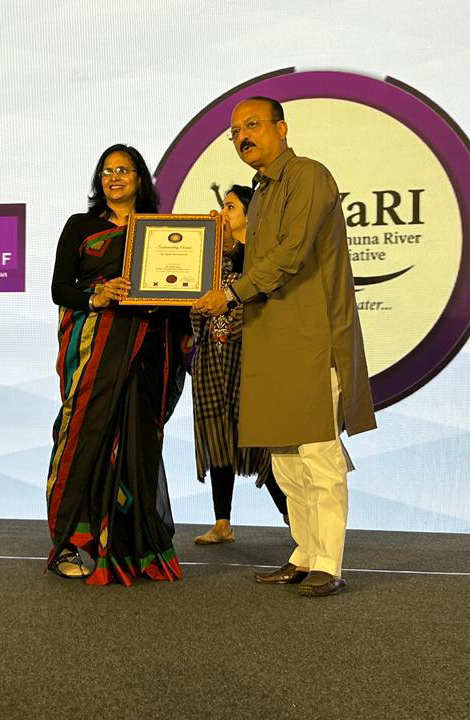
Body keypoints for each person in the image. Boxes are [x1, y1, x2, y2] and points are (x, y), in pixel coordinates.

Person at [193, 98, 377, 597]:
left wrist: (230, 293)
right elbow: (260, 259)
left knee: (318, 454)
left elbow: (291, 253)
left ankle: (329, 562)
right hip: (270, 338)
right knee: (285, 461)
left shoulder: (307, 175)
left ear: (282, 129)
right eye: (235, 131)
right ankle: (304, 553)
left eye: (252, 125)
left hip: (311, 336)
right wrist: (219, 247)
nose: (242, 137)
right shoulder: (260, 190)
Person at [46, 143, 189, 586]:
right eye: (106, 171)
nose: (114, 178)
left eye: (123, 170)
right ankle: (72, 543)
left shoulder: (162, 232)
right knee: (83, 435)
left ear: (140, 179)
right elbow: (60, 289)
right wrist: (98, 295)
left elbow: (180, 288)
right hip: (96, 348)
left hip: (148, 349)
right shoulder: (80, 226)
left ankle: (134, 547)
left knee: (138, 443)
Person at [189, 184, 288, 546]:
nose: (222, 213)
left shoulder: (260, 256)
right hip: (211, 361)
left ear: (251, 214)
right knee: (217, 437)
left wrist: (232, 248)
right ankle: (222, 522)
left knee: (261, 443)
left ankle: (293, 516)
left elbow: (255, 278)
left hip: (251, 360)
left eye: (230, 207)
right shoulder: (209, 260)